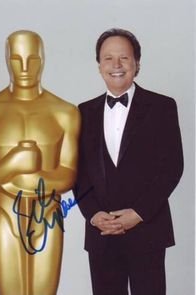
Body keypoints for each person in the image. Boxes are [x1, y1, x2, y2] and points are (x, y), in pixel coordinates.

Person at [73, 28, 183, 295]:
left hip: (147, 229)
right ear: (99, 66)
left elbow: (172, 168)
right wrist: (93, 214)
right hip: (102, 231)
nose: (116, 65)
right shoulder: (83, 112)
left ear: (137, 64)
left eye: (124, 58)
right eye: (108, 58)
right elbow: (78, 171)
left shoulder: (162, 106)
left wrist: (138, 214)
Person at [0, 30, 80, 295]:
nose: (24, 68)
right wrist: (14, 162)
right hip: (7, 210)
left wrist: (33, 178)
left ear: (43, 60)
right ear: (6, 59)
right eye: (16, 59)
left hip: (48, 212)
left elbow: (68, 175)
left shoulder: (65, 112)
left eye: (32, 59)